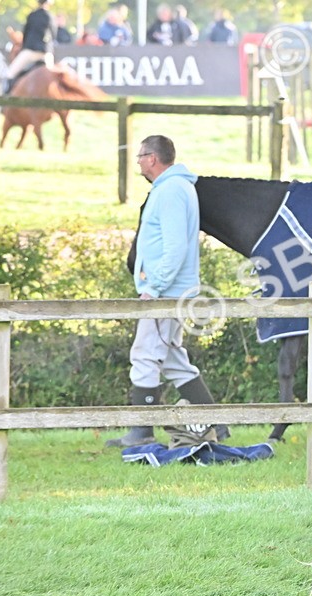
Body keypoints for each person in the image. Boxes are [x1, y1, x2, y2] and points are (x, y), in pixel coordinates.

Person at [107, 135, 226, 448]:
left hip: (165, 292)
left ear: (152, 158)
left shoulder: (172, 190)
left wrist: (154, 287)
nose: (138, 163)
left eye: (140, 157)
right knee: (172, 359)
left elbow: (175, 247)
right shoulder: (173, 187)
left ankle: (141, 432)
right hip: (172, 290)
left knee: (145, 354)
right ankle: (216, 422)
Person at [5, 0, 56, 90]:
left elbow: (26, 33)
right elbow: (54, 35)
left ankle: (2, 99)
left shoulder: (32, 15)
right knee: (53, 81)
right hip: (45, 53)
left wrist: (24, 46)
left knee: (9, 74)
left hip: (30, 51)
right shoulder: (51, 16)